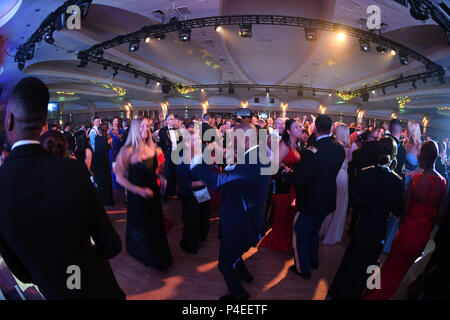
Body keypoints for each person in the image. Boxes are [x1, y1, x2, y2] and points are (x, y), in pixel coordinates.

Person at [0, 77, 124, 299]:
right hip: (99, 289)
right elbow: (111, 245)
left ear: (9, 120)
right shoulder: (73, 171)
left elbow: (22, 272)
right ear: (44, 125)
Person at [190, 122, 271, 300]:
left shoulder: (252, 161)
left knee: (224, 265)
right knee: (233, 252)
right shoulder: (257, 155)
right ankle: (244, 275)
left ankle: (240, 295)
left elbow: (218, 183)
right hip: (243, 218)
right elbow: (242, 177)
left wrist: (196, 162)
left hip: (242, 223)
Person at [363, 141, 447, 300]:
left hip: (408, 231)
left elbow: (404, 209)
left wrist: (402, 228)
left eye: (421, 152)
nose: (418, 155)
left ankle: (372, 295)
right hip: (421, 237)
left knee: (388, 269)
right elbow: (440, 216)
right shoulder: (442, 182)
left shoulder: (416, 180)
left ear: (426, 157)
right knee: (400, 273)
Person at [327, 137, 404, 300]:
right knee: (369, 266)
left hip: (364, 225)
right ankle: (358, 294)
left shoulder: (366, 173)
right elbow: (398, 210)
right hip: (378, 230)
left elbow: (354, 201)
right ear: (394, 155)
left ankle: (335, 294)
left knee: (350, 261)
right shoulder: (397, 182)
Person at [282, 114, 345, 279]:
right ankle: (314, 261)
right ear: (331, 129)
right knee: (313, 231)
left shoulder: (313, 151)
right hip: (328, 199)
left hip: (310, 201)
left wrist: (286, 174)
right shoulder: (339, 148)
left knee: (300, 231)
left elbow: (299, 179)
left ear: (315, 129)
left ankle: (303, 269)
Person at [115, 117, 172, 271]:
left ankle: (157, 253)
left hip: (153, 194)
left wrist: (161, 177)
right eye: (141, 127)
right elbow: (119, 177)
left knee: (155, 224)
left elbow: (152, 170)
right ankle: (145, 254)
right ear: (134, 129)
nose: (145, 130)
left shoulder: (153, 148)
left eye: (147, 126)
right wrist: (137, 190)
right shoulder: (127, 152)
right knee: (142, 226)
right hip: (137, 196)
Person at [260, 119, 301, 252]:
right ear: (289, 131)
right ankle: (279, 241)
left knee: (289, 214)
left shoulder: (297, 144)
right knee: (282, 214)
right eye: (296, 127)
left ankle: (288, 239)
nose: (300, 129)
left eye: (300, 126)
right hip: (283, 184)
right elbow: (274, 165)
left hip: (292, 184)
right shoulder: (285, 144)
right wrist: (285, 169)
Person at [175, 123, 210, 254]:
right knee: (192, 220)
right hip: (189, 195)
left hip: (202, 191)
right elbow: (185, 184)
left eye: (198, 139)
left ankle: (201, 237)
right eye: (195, 140)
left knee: (204, 216)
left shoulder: (200, 154)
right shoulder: (181, 158)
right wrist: (205, 180)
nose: (199, 142)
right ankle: (190, 245)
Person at [319, 123, 351, 245]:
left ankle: (324, 229)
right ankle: (332, 234)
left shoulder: (334, 146)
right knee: (339, 206)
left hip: (335, 175)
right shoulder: (347, 149)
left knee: (330, 204)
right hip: (343, 176)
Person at [382, 118, 407, 254]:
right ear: (401, 131)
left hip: (376, 186)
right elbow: (400, 174)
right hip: (391, 189)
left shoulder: (381, 142)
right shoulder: (401, 149)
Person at [92, 122, 114, 206]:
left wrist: (110, 141)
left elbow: (110, 148)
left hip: (100, 161)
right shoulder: (103, 137)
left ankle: (104, 200)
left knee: (102, 180)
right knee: (104, 180)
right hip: (102, 161)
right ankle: (106, 200)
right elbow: (111, 148)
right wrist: (110, 141)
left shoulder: (98, 137)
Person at [158, 113, 178, 201]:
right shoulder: (162, 131)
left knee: (175, 173)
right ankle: (165, 194)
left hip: (176, 154)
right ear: (167, 121)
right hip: (167, 154)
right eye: (171, 119)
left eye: (174, 118)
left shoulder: (177, 130)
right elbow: (160, 144)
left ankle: (173, 192)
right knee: (167, 174)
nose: (173, 120)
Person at [109, 117, 124, 189]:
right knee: (113, 167)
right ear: (112, 122)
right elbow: (108, 140)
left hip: (119, 150)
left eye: (117, 121)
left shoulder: (121, 130)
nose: (116, 122)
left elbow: (121, 139)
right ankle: (114, 184)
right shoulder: (109, 130)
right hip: (112, 151)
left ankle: (120, 183)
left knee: (120, 167)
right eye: (114, 121)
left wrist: (116, 134)